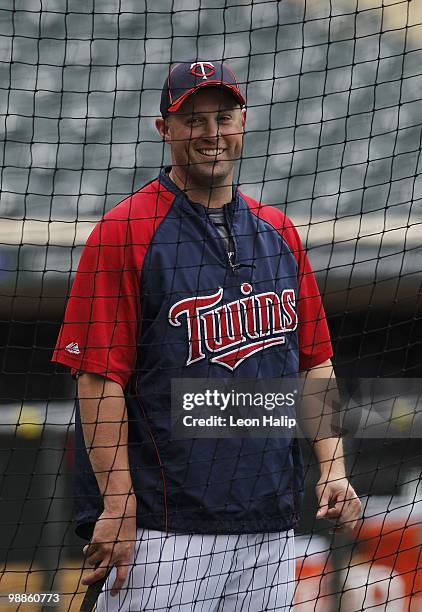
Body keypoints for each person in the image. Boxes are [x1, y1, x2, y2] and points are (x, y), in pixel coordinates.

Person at [52, 59, 361, 611]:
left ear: (243, 122)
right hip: (164, 532)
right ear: (164, 129)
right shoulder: (125, 232)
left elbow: (315, 363)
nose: (211, 134)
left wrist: (333, 467)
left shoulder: (279, 232)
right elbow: (99, 380)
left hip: (268, 525)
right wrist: (118, 503)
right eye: (192, 120)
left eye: (223, 117)